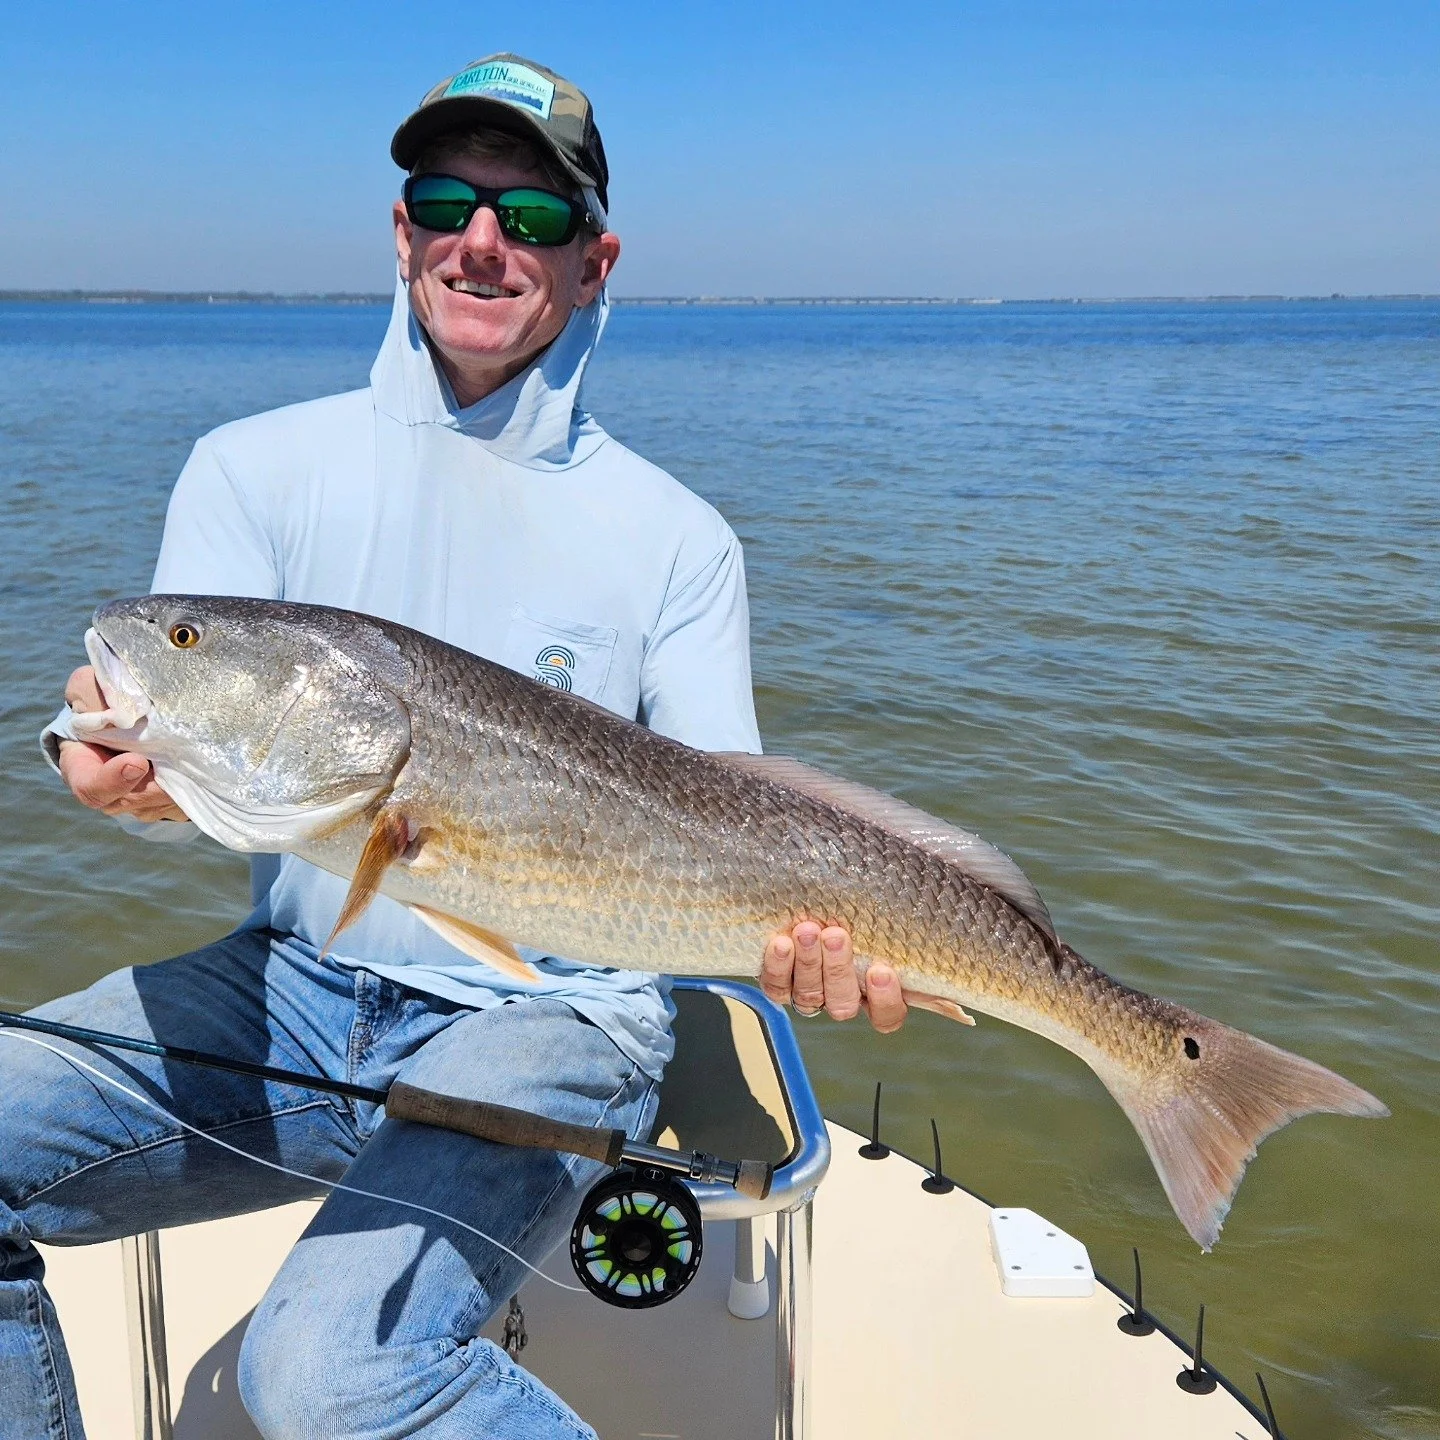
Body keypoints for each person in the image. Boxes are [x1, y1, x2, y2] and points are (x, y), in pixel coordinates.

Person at [0, 54, 907, 1439]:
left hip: (554, 1024)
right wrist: (118, 767)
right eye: (446, 198)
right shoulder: (251, 468)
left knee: (319, 1376)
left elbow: (734, 817)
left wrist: (816, 946)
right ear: (404, 230)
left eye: (531, 217)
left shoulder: (677, 539)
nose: (483, 239)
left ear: (595, 263)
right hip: (296, 990)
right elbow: (178, 729)